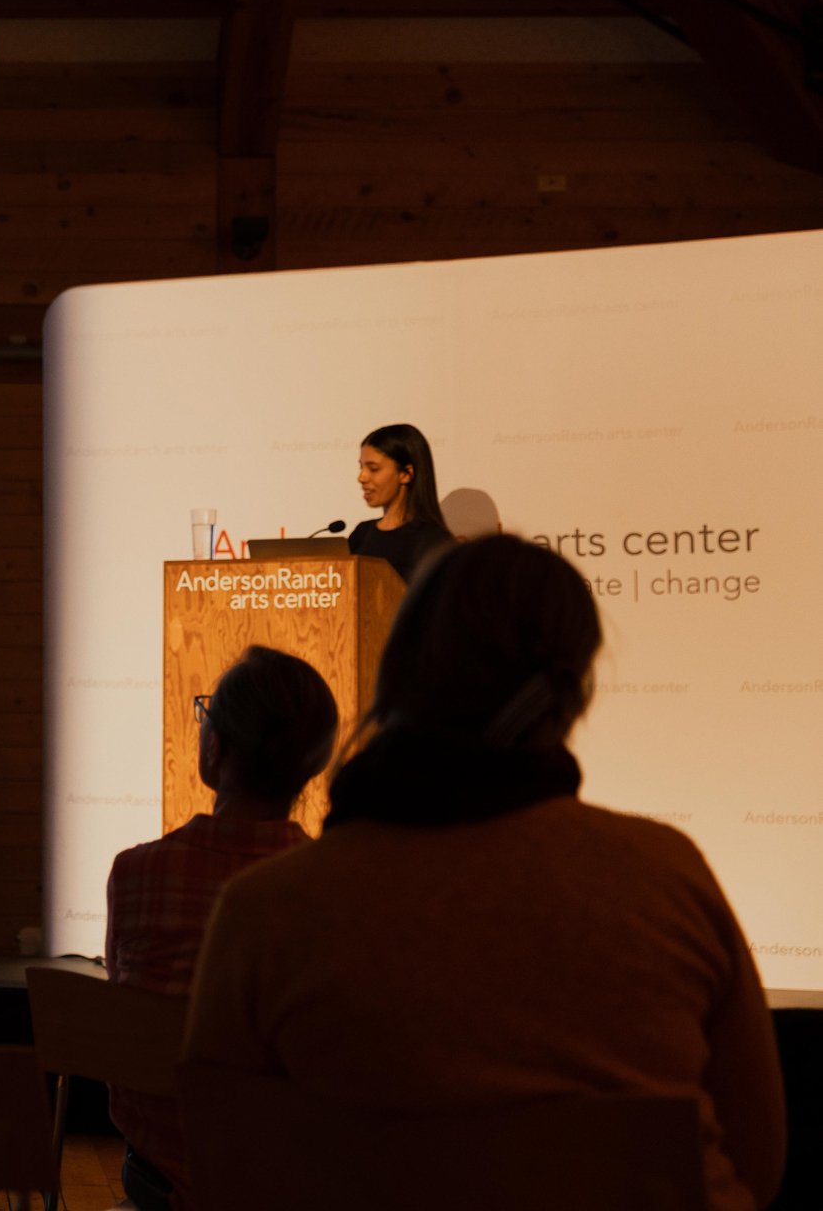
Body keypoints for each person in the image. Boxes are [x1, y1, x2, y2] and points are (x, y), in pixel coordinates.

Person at [185, 536, 785, 1211]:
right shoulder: (671, 876)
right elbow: (757, 1161)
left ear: (398, 673)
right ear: (570, 694)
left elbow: (221, 1173)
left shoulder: (264, 913)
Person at [104, 646, 338, 1211]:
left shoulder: (136, 872)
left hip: (156, 1180)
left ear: (216, 747)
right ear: (312, 763)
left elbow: (125, 1015)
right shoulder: (332, 890)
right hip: (284, 1183)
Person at [345, 422, 455, 582]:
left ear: (406, 474)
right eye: (361, 467)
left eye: (373, 469)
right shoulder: (362, 534)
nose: (361, 477)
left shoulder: (433, 541)